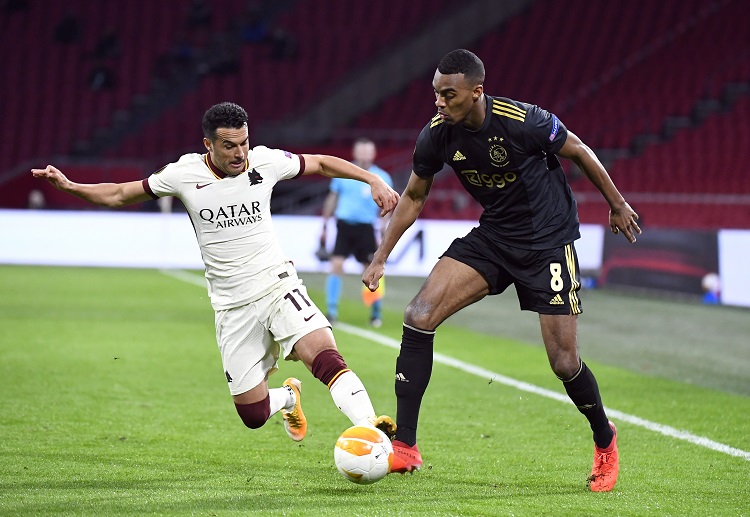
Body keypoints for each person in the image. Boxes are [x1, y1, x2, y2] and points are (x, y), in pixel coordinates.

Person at [33, 102, 398, 448]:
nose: (240, 153)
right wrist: (71, 187)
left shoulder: (265, 162)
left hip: (277, 284)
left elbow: (320, 163)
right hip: (232, 305)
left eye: (244, 143)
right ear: (208, 144)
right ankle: (289, 396)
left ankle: (372, 430)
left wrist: (371, 180)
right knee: (253, 414)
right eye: (229, 146)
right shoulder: (183, 175)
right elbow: (118, 194)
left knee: (322, 355)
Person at [362, 50, 641, 492]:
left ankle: (605, 438)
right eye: (435, 93)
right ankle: (406, 446)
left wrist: (617, 204)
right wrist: (381, 256)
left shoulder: (524, 121)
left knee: (564, 362)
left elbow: (579, 150)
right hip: (494, 238)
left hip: (548, 243)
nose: (438, 102)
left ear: (476, 92)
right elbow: (413, 196)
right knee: (418, 315)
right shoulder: (436, 134)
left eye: (448, 95)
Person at [320, 138, 393, 327]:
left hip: (366, 228)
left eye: (368, 151)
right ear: (355, 153)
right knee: (336, 265)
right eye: (362, 151)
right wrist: (325, 224)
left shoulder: (382, 177)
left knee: (371, 270)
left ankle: (375, 312)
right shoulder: (343, 172)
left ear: (373, 154)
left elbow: (388, 206)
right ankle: (331, 311)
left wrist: (384, 227)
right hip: (344, 226)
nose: (365, 155)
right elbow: (332, 198)